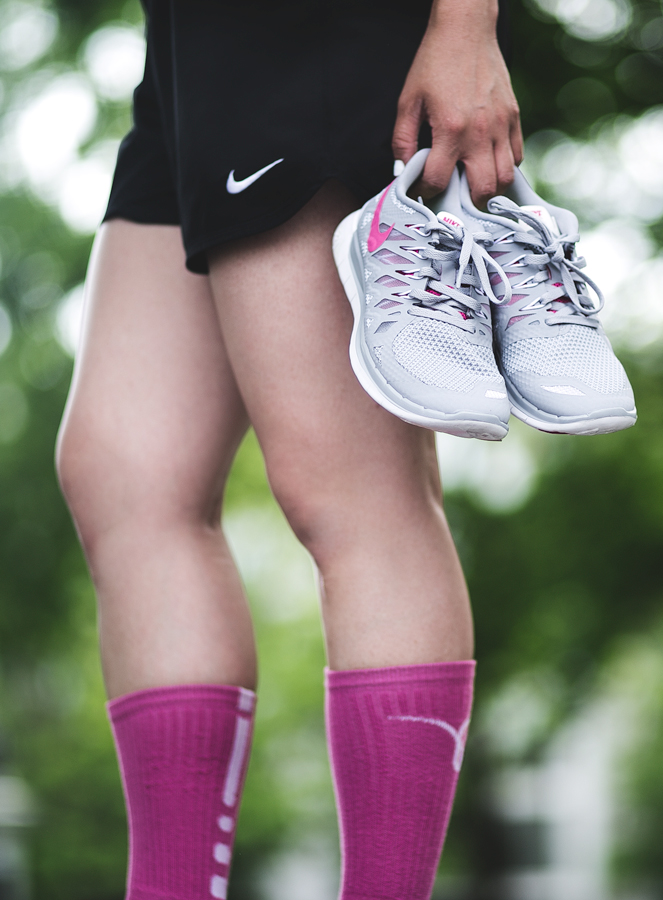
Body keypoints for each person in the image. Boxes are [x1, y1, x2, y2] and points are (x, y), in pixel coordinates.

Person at [55, 1, 522, 898]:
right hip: (191, 45)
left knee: (350, 490)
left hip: (302, 27)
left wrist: (466, 24)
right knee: (126, 479)